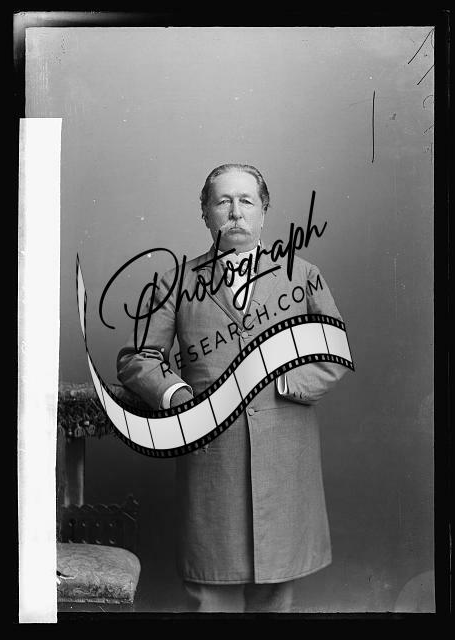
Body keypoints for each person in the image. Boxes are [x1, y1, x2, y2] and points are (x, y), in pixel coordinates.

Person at [117, 164, 349, 613]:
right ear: (205, 213)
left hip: (285, 459)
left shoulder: (303, 274)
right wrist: (178, 397)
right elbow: (137, 358)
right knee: (210, 597)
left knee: (275, 594)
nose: (236, 212)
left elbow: (334, 348)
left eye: (246, 201)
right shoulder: (176, 281)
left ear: (264, 211)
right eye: (223, 201)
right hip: (212, 460)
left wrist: (286, 381)